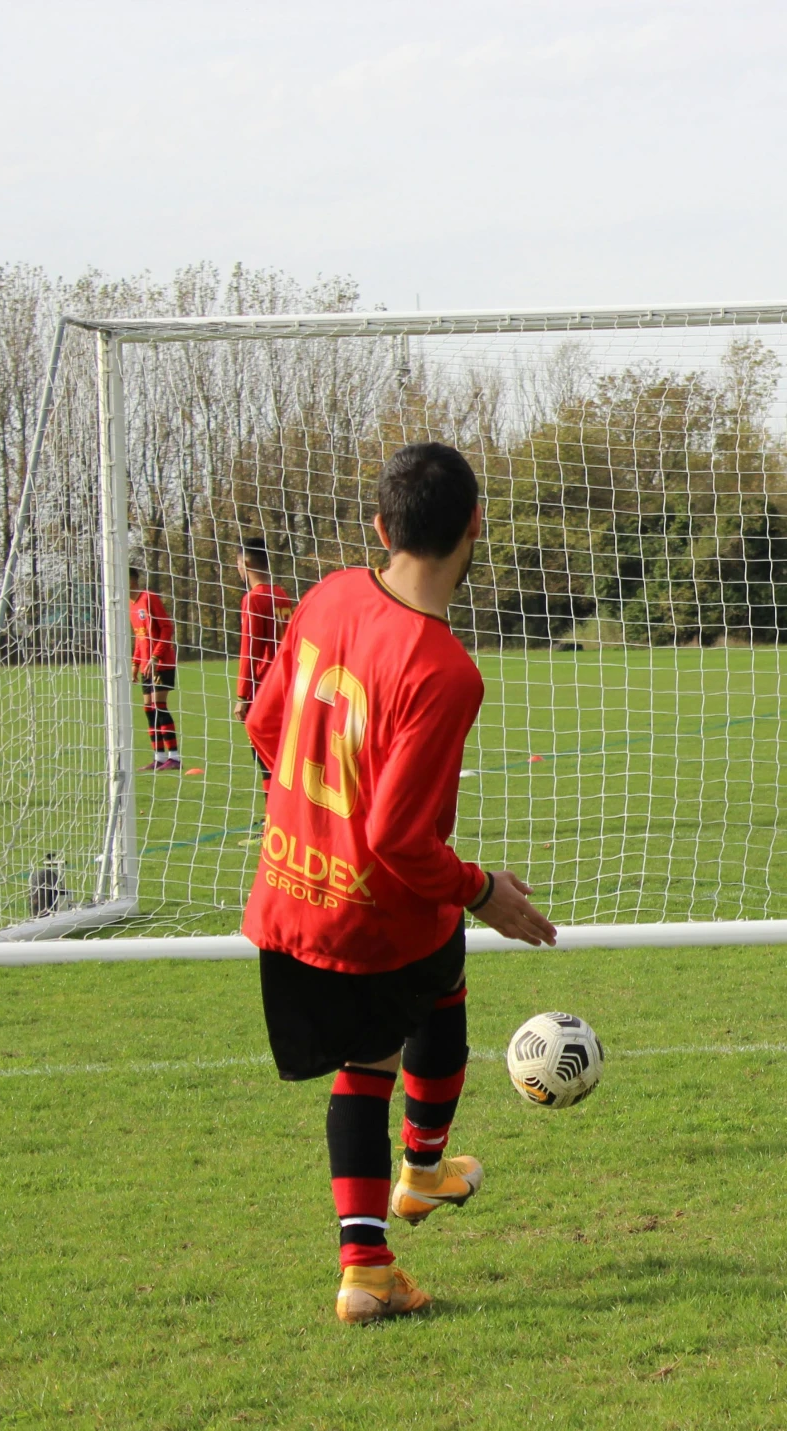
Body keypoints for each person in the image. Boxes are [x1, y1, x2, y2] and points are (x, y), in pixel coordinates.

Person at [244, 442, 557, 1325]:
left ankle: (421, 1173)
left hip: (290, 892)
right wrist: (484, 885)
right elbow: (396, 838)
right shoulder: (443, 670)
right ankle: (370, 1262)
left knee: (435, 986)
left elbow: (266, 725)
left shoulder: (329, 594)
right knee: (375, 1060)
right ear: (474, 528)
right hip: (370, 912)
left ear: (380, 527)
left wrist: (313, 820)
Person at [232, 536, 295, 781]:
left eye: (237, 564)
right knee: (279, 750)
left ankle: (274, 815)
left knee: (264, 753)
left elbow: (250, 650)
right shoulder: (281, 593)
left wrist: (242, 696)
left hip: (264, 686)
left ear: (245, 564)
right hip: (285, 681)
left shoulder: (253, 599)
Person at [129, 565, 179, 771]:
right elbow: (140, 638)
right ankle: (158, 758)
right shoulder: (130, 604)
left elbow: (167, 627)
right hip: (146, 666)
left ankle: (174, 758)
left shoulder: (148, 598)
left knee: (159, 707)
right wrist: (135, 663)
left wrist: (156, 656)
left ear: (131, 580)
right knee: (149, 708)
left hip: (161, 662)